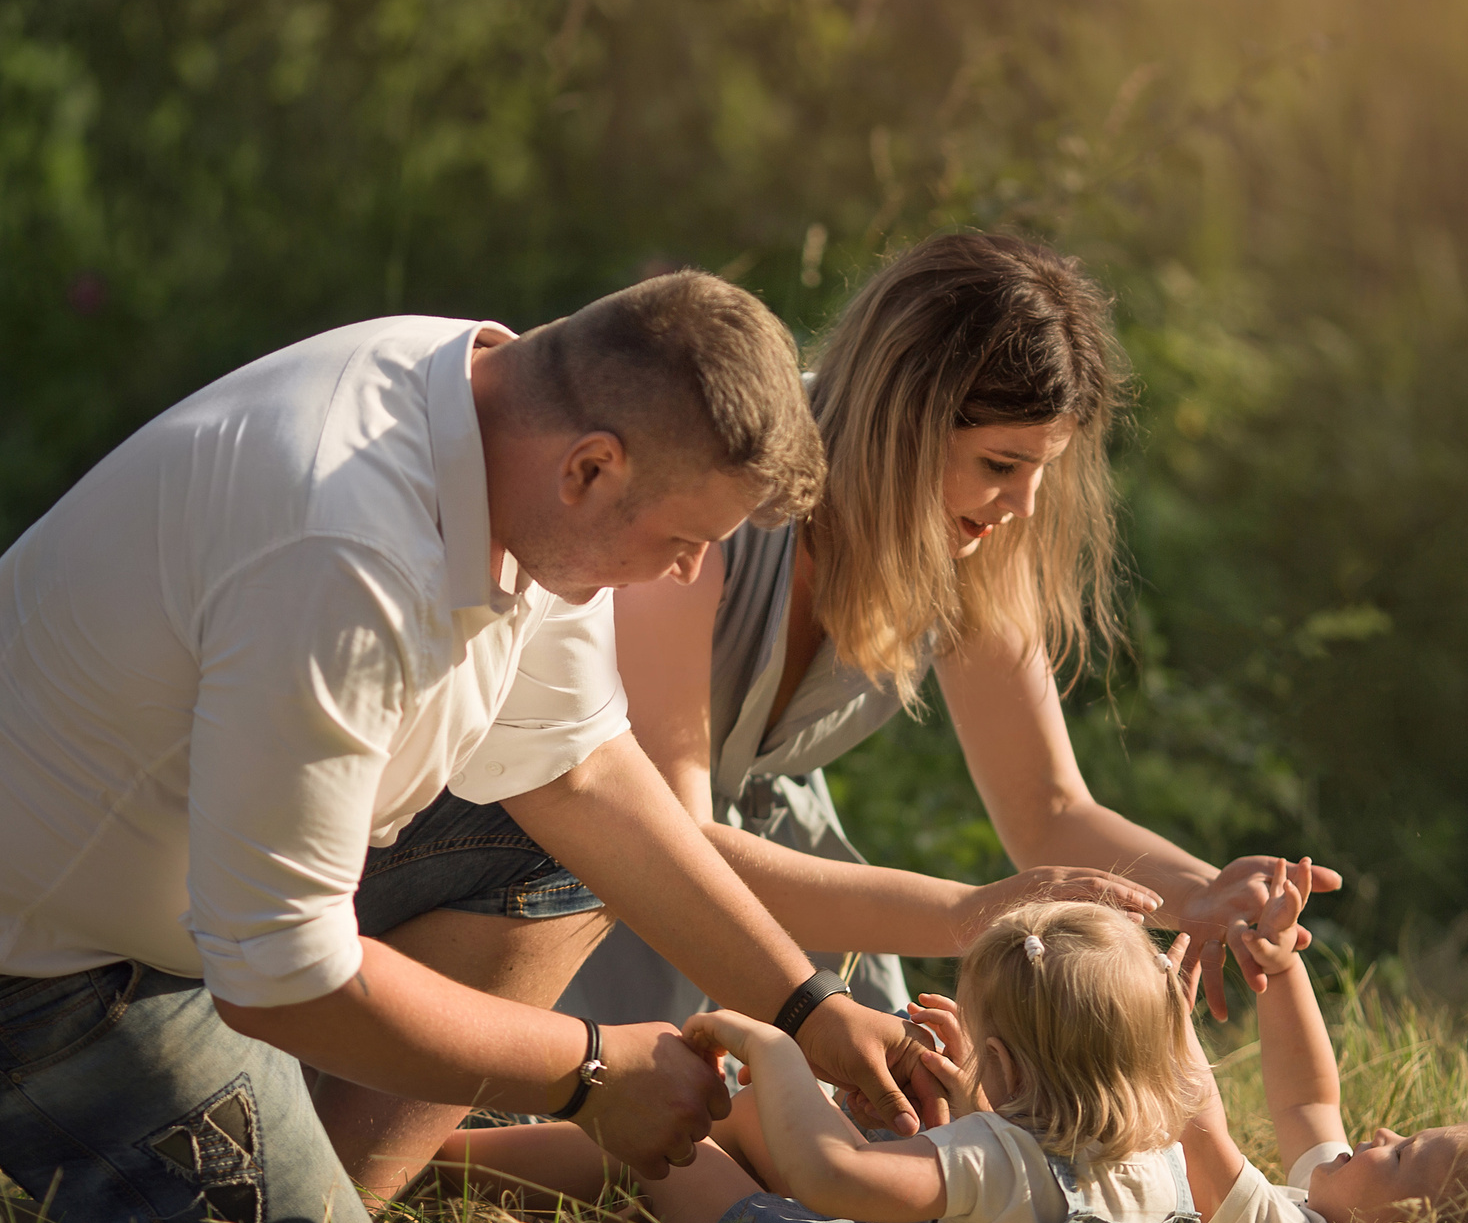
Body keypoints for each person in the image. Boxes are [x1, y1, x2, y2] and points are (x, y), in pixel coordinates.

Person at [0, 273, 942, 1223]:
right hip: (10, 966)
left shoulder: (512, 435)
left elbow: (580, 781)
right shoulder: (344, 546)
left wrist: (809, 1007)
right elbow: (279, 974)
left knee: (559, 855)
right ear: (590, 469)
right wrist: (587, 1076)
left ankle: (302, 1206)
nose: (682, 576)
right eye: (681, 542)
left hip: (181, 905)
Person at [559, 231, 1334, 1042]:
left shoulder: (972, 538)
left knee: (888, 1103)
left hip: (779, 880)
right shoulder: (722, 486)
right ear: (905, 420)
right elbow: (670, 843)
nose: (1024, 505)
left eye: (1041, 469)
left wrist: (1201, 894)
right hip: (593, 869)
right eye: (1001, 465)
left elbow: (1047, 807)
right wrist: (970, 913)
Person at [436, 899, 1208, 1223]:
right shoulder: (1163, 1164)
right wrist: (970, 1104)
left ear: (1002, 1066)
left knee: (679, 1146)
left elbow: (830, 1174)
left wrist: (775, 1049)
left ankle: (444, 1167)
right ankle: (502, 1172)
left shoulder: (993, 1158)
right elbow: (996, 1220)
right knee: (744, 1117)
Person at [1182, 859, 1468, 1223]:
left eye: (1400, 1155)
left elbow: (1202, 1144)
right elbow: (1306, 1100)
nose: (1384, 1131)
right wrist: (1280, 967)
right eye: (1405, 1137)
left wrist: (1162, 1006)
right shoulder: (1334, 1220)